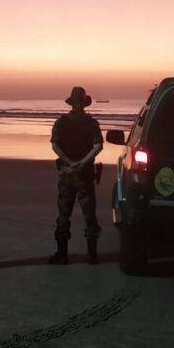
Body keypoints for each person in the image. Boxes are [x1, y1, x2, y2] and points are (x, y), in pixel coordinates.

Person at [49, 86, 103, 264]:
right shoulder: (91, 123)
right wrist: (82, 162)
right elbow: (98, 146)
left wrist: (69, 162)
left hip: (66, 173)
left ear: (71, 102)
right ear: (85, 103)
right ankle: (92, 256)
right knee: (89, 215)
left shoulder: (61, 122)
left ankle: (62, 255)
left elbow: (55, 146)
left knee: (64, 214)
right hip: (84, 174)